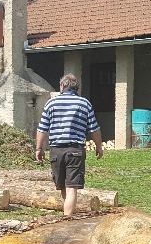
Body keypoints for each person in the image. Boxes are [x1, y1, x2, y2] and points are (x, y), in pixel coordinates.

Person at [34, 74, 102, 216]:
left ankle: (66, 218)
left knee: (63, 187)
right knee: (71, 188)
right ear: (76, 87)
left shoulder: (51, 103)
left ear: (63, 86)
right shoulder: (84, 103)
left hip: (56, 151)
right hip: (75, 150)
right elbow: (94, 129)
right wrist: (99, 147)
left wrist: (39, 149)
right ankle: (67, 218)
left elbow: (42, 129)